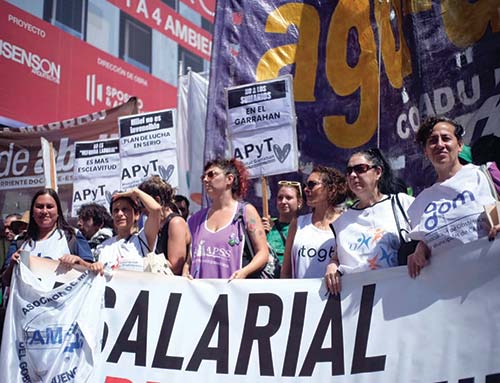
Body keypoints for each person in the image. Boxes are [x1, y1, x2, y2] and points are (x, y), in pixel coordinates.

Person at [406, 117, 500, 277]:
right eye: (432, 141)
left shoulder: (486, 174)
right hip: (452, 290)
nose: (440, 145)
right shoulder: (419, 203)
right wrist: (421, 248)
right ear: (426, 152)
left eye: (446, 138)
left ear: (460, 145)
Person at [324, 148, 417, 294]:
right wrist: (332, 265)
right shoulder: (342, 222)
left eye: (360, 169)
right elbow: (337, 257)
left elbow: (430, 239)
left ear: (378, 172)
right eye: (349, 171)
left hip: (399, 296)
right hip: (357, 303)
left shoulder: (402, 204)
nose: (353, 175)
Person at [184, 158, 268, 279]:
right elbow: (190, 258)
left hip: (232, 292)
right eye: (203, 177)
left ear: (229, 179)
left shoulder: (245, 212)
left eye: (212, 174)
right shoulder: (196, 219)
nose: (206, 180)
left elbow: (263, 253)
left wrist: (244, 272)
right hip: (200, 294)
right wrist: (186, 272)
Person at [2, 188, 94, 285]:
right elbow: (5, 281)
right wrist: (12, 264)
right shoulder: (20, 241)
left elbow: (91, 272)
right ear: (32, 212)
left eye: (49, 207)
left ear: (58, 211)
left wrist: (78, 261)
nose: (44, 211)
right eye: (39, 207)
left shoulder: (72, 236)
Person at [281, 165, 348, 279]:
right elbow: (286, 271)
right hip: (301, 295)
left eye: (312, 185)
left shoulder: (345, 224)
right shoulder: (298, 224)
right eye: (305, 185)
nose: (306, 189)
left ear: (331, 190)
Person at [90, 188, 162, 273]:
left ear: (137, 215)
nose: (120, 214)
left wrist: (136, 192)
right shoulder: (104, 246)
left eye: (125, 209)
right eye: (116, 210)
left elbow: (156, 209)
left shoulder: (144, 238)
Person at [138, 176, 191, 275]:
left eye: (142, 204)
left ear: (157, 201)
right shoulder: (154, 224)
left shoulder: (176, 223)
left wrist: (138, 262)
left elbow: (175, 266)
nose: (141, 210)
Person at [262, 180, 303, 264]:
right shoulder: (267, 225)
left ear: (299, 202)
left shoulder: (304, 227)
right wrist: (261, 233)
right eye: (280, 198)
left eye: (289, 198)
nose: (283, 202)